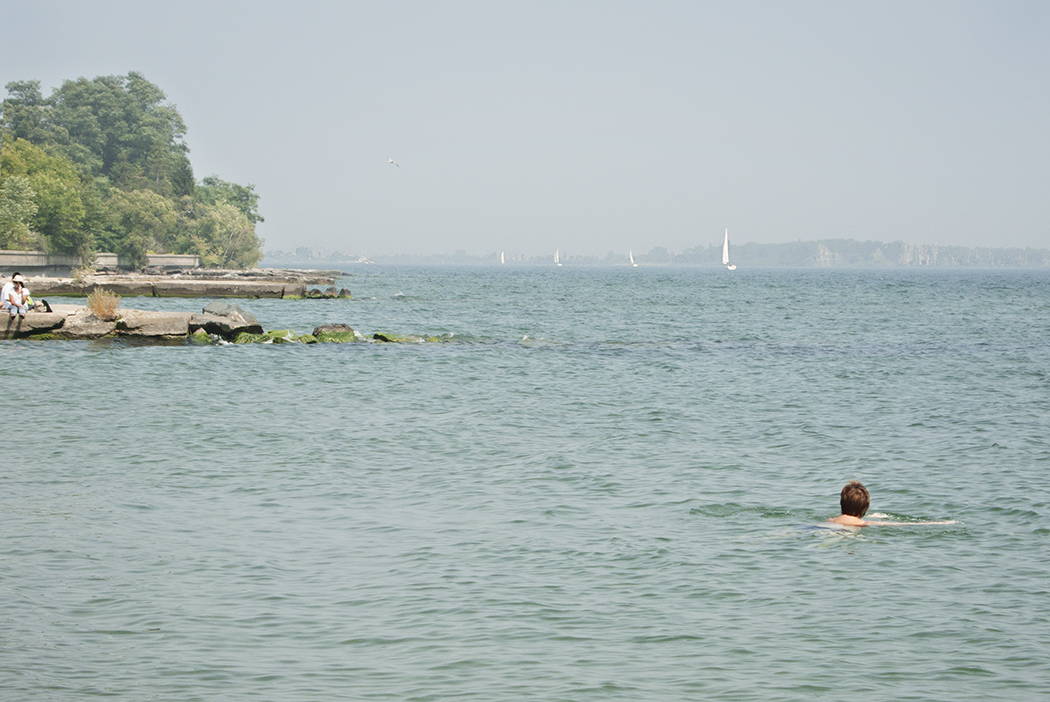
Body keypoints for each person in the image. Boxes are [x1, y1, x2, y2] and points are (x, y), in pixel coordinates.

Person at [828, 480, 958, 527]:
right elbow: (900, 524)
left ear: (842, 503)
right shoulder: (863, 524)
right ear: (864, 508)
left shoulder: (831, 520)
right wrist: (940, 523)